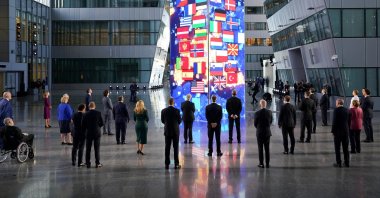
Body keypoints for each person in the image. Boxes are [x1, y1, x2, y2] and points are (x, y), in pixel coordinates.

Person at [161, 98, 182, 169]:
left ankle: (167, 164)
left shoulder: (163, 111)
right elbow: (179, 121)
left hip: (167, 131)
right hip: (175, 131)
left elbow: (162, 120)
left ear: (168, 102)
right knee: (176, 148)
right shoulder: (177, 111)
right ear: (173, 103)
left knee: (167, 147)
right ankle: (176, 164)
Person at [83, 102, 104, 168]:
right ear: (94, 106)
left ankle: (88, 163)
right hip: (97, 132)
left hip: (88, 133)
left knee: (88, 149)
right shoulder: (98, 113)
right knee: (97, 148)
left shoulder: (85, 114)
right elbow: (102, 123)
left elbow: (83, 124)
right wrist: (98, 127)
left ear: (89, 107)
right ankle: (97, 163)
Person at [254, 100, 273, 168]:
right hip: (267, 132)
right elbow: (271, 121)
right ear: (266, 104)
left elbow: (255, 124)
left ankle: (261, 163)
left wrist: (259, 127)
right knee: (267, 149)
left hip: (260, 133)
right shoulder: (270, 112)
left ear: (260, 105)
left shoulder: (257, 113)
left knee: (260, 149)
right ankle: (267, 164)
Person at [331, 99, 350, 167]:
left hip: (338, 132)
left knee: (337, 148)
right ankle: (347, 162)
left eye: (336, 102)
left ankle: (338, 162)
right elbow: (349, 121)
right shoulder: (347, 110)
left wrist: (333, 131)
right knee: (345, 148)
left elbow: (334, 121)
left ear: (338, 103)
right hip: (345, 131)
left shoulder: (336, 110)